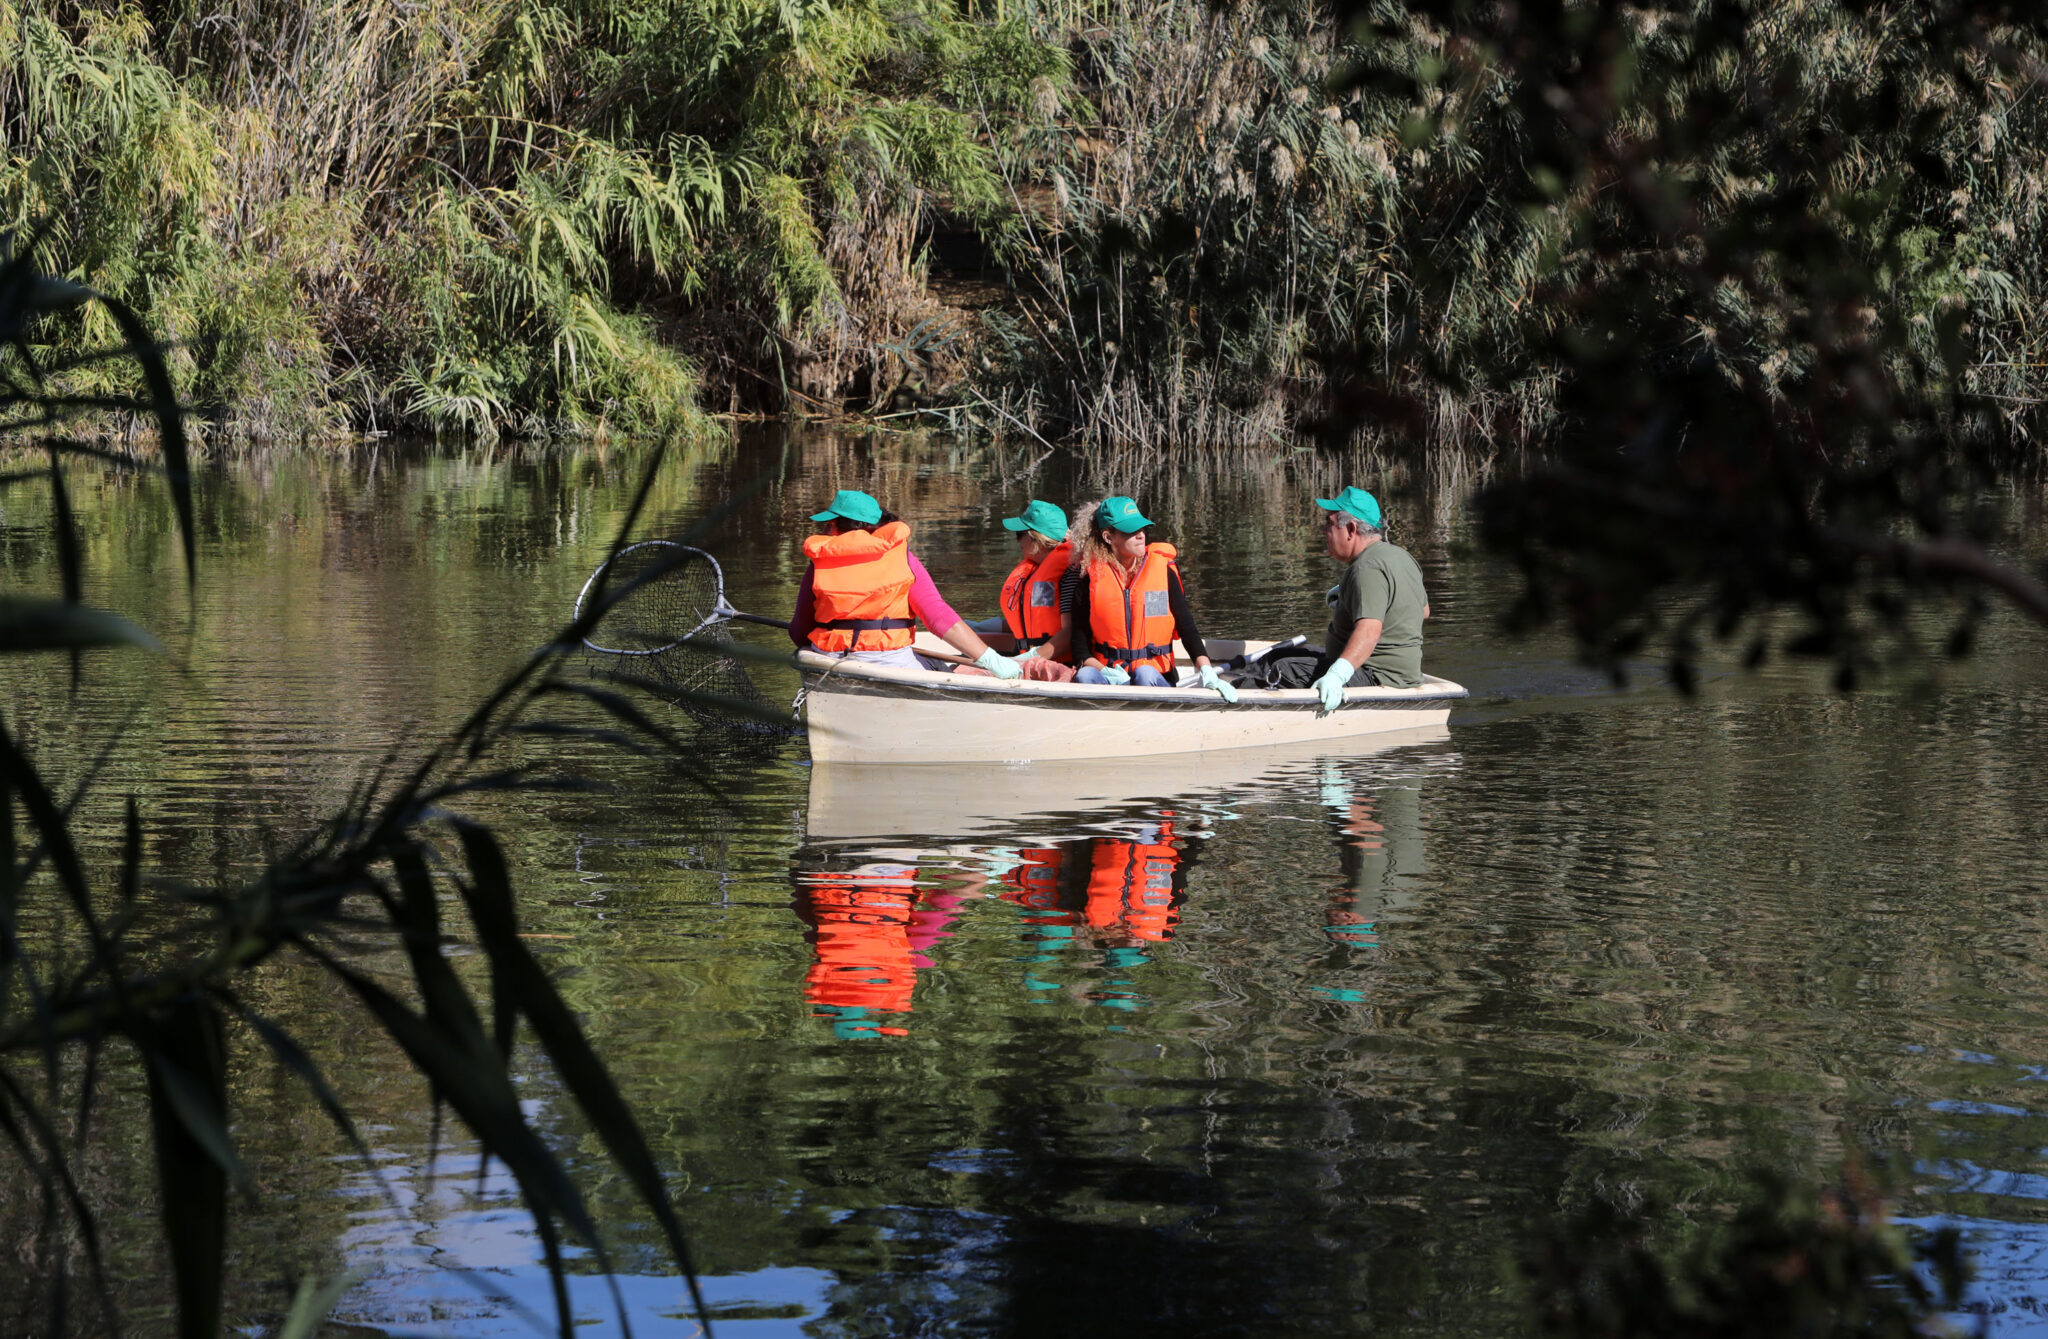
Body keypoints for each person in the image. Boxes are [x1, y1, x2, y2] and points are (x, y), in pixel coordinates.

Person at [789, 488, 1024, 679]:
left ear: (844, 527)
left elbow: (800, 633)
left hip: (829, 658)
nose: (824, 530)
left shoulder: (819, 562)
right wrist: (992, 660)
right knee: (942, 668)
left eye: (829, 524)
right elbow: (938, 617)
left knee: (806, 649)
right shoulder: (902, 558)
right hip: (889, 661)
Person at [1247, 486, 1428, 711]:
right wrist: (1353, 601)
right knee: (1275, 655)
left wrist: (1336, 676)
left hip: (1377, 675)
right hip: (1398, 673)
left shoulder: (1366, 568)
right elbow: (1422, 611)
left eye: (1329, 524)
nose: (1324, 531)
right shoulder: (1402, 557)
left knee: (1279, 668)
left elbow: (1369, 630)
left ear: (1351, 529)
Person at [1062, 496, 1238, 702]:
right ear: (1109, 537)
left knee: (1144, 672)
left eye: (1142, 528)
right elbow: (1080, 649)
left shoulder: (1162, 571)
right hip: (1112, 679)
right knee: (1085, 675)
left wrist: (1206, 669)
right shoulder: (1088, 579)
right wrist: (1107, 672)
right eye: (1131, 531)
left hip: (1157, 677)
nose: (1141, 535)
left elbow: (1188, 628)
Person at [993, 498, 1078, 683]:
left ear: (1036, 539)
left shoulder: (1070, 574)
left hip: (1064, 664)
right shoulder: (1037, 570)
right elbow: (1030, 621)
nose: (1017, 540)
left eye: (1019, 534)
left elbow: (1070, 633)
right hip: (1034, 654)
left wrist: (1028, 658)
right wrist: (978, 629)